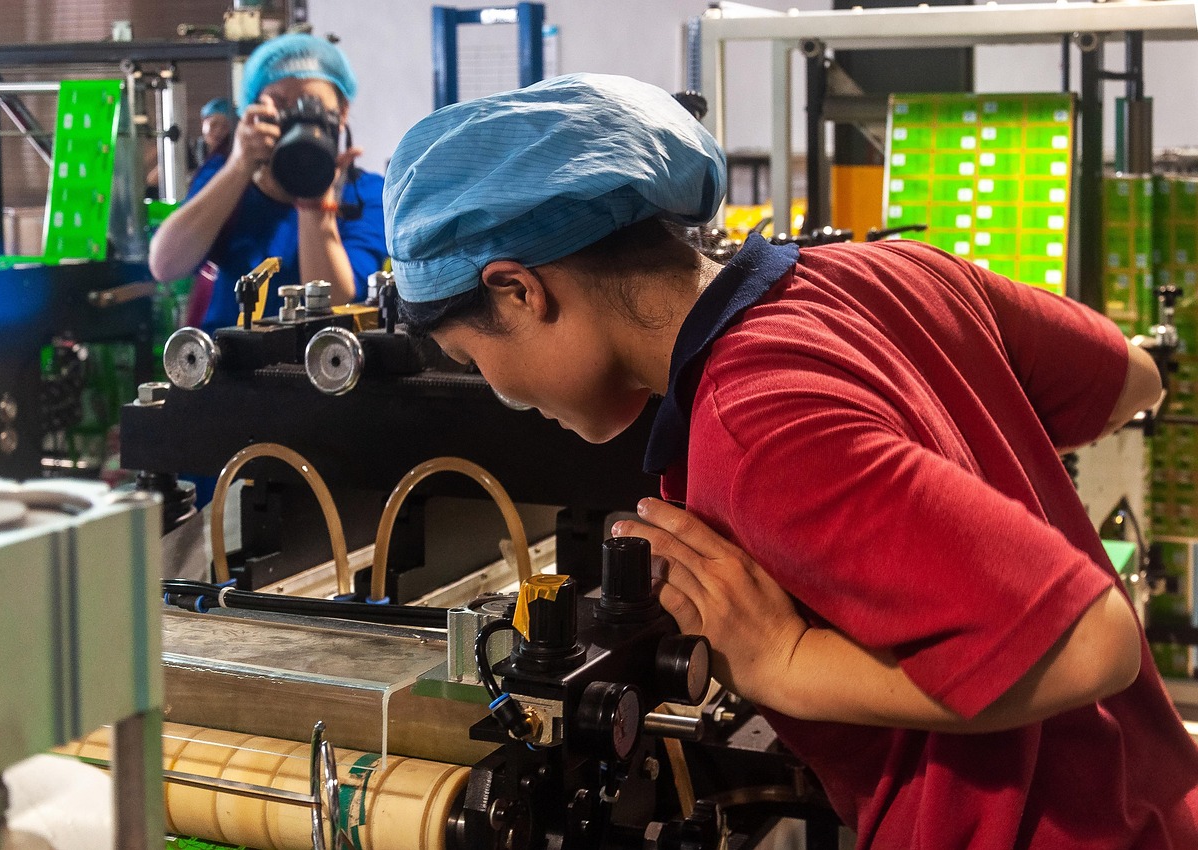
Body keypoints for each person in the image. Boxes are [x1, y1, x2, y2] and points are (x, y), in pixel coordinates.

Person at [382, 73, 1198, 849]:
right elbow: (1134, 379)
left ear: (520, 290)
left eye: (470, 358)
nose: (502, 392)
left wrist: (786, 662)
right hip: (1159, 805)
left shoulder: (758, 427)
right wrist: (966, 438)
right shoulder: (886, 271)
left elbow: (1093, 645)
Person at [148, 34, 386, 334]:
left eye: (311, 105)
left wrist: (314, 204)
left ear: (342, 112)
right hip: (225, 358)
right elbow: (165, 265)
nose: (298, 121)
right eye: (282, 106)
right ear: (253, 110)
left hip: (318, 360)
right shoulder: (226, 178)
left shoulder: (364, 196)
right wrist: (238, 166)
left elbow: (335, 308)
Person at [198, 97, 237, 164]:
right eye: (214, 124)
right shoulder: (189, 153)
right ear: (203, 122)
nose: (218, 132)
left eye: (225, 126)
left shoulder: (234, 154)